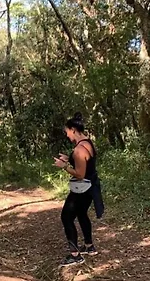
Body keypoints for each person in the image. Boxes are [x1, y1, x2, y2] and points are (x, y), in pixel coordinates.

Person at [53, 112, 102, 266]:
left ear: (73, 129)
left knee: (66, 217)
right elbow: (86, 163)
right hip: (90, 187)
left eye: (67, 131)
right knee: (81, 214)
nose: (67, 135)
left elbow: (80, 174)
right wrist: (70, 159)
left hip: (82, 189)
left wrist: (64, 166)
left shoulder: (79, 149)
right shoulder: (87, 143)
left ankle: (75, 255)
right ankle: (89, 246)